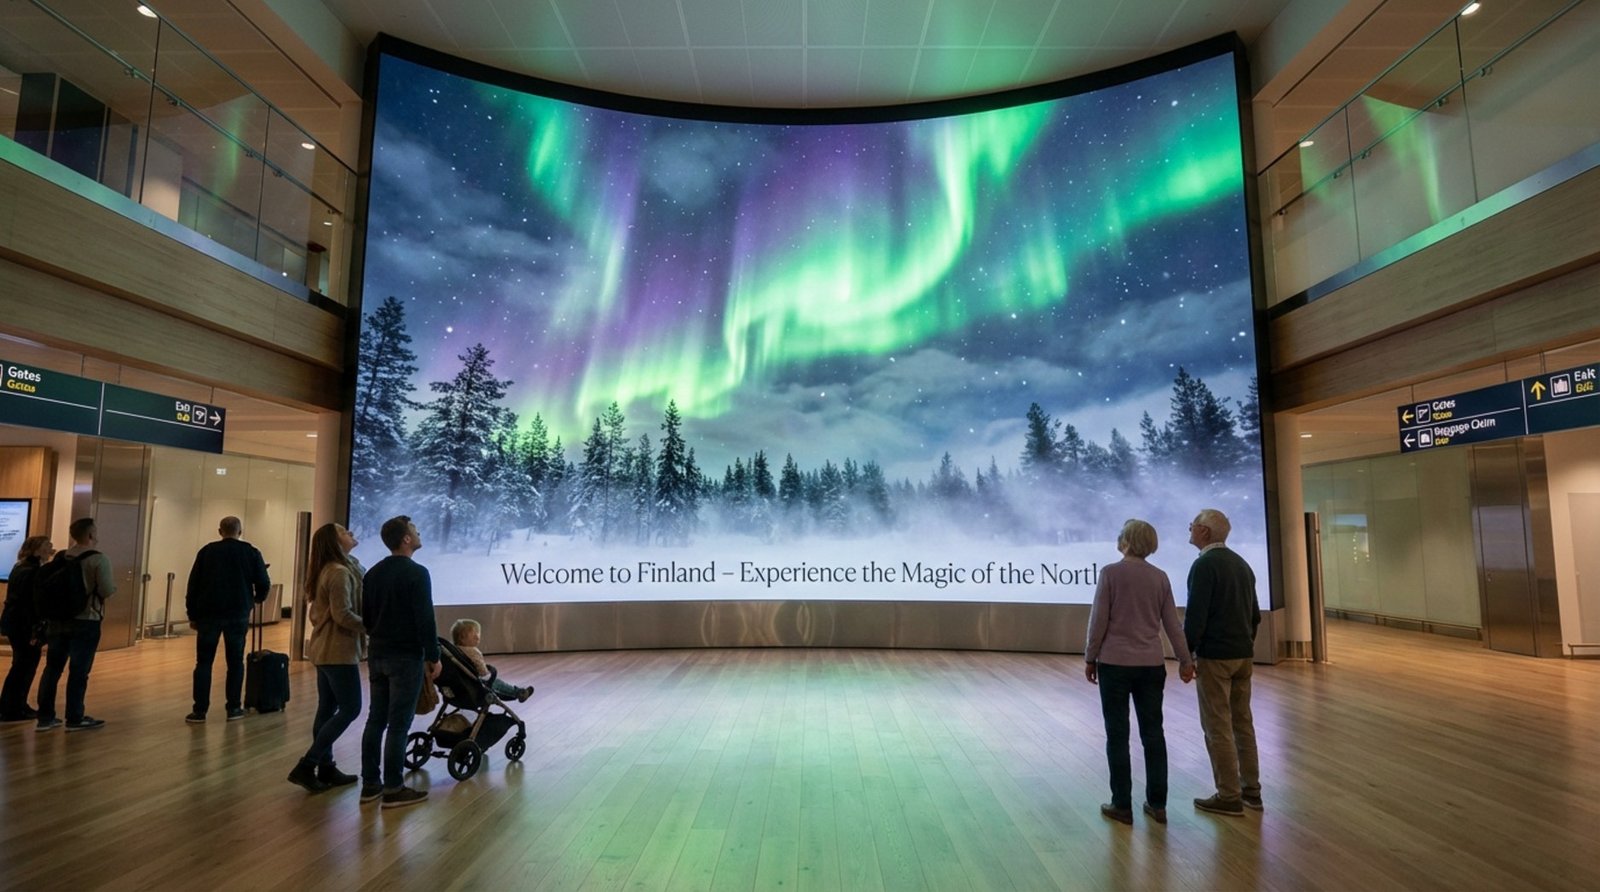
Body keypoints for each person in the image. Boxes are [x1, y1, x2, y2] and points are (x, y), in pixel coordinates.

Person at [1084, 519, 1194, 825]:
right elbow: (1173, 625)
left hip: (1114, 665)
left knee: (1117, 736)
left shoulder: (1110, 573)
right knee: (1153, 734)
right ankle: (1158, 804)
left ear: (1125, 542)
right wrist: (1185, 660)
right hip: (1150, 665)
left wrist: (1090, 657)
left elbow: (1099, 621)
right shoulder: (1160, 578)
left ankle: (1122, 804)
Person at [1183, 508, 1262, 817]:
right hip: (1243, 655)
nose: (1189, 529)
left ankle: (1228, 795)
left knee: (1217, 726)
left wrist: (1186, 655)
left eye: (1192, 525)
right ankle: (1251, 791)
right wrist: (1244, 643)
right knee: (1243, 723)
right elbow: (1254, 616)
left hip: (1216, 657)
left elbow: (1196, 617)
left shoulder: (1204, 566)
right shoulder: (1241, 565)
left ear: (1204, 532)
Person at [359, 515, 440, 809]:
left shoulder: (373, 574)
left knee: (375, 720)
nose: (419, 534)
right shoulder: (417, 573)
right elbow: (425, 619)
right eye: (415, 531)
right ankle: (393, 788)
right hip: (405, 657)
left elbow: (366, 617)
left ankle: (370, 784)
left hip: (378, 653)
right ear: (406, 539)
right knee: (398, 725)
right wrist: (433, 655)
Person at [287, 523, 366, 793]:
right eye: (345, 531)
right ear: (335, 542)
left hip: (325, 650)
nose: (351, 533)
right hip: (338, 651)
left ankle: (327, 767)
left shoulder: (335, 568)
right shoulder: (340, 573)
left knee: (327, 708)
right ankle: (308, 764)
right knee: (351, 708)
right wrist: (373, 626)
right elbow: (343, 614)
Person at [184, 516, 271, 723]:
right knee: (235, 662)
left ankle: (200, 710)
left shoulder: (207, 552)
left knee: (204, 662)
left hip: (208, 614)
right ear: (240, 532)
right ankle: (233, 708)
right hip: (237, 614)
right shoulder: (251, 552)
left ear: (220, 531)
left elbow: (193, 585)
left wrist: (192, 614)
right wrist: (255, 599)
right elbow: (263, 583)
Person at [35, 517, 115, 732]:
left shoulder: (62, 556)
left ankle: (45, 717)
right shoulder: (99, 559)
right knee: (79, 670)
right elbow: (106, 590)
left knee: (52, 668)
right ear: (90, 535)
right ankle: (75, 717)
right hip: (86, 619)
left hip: (58, 619)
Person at [0, 536, 53, 722]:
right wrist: (36, 629)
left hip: (14, 622)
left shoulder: (19, 567)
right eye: (48, 546)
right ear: (37, 550)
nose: (51, 549)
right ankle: (13, 707)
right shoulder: (34, 571)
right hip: (24, 625)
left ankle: (11, 705)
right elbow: (31, 603)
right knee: (25, 665)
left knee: (20, 665)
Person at [448, 619, 533, 703]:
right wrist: (486, 673)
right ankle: (518, 693)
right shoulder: (473, 652)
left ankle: (516, 692)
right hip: (478, 684)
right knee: (497, 683)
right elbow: (480, 668)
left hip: (462, 684)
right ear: (462, 639)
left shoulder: (454, 651)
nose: (478, 637)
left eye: (477, 633)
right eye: (474, 636)